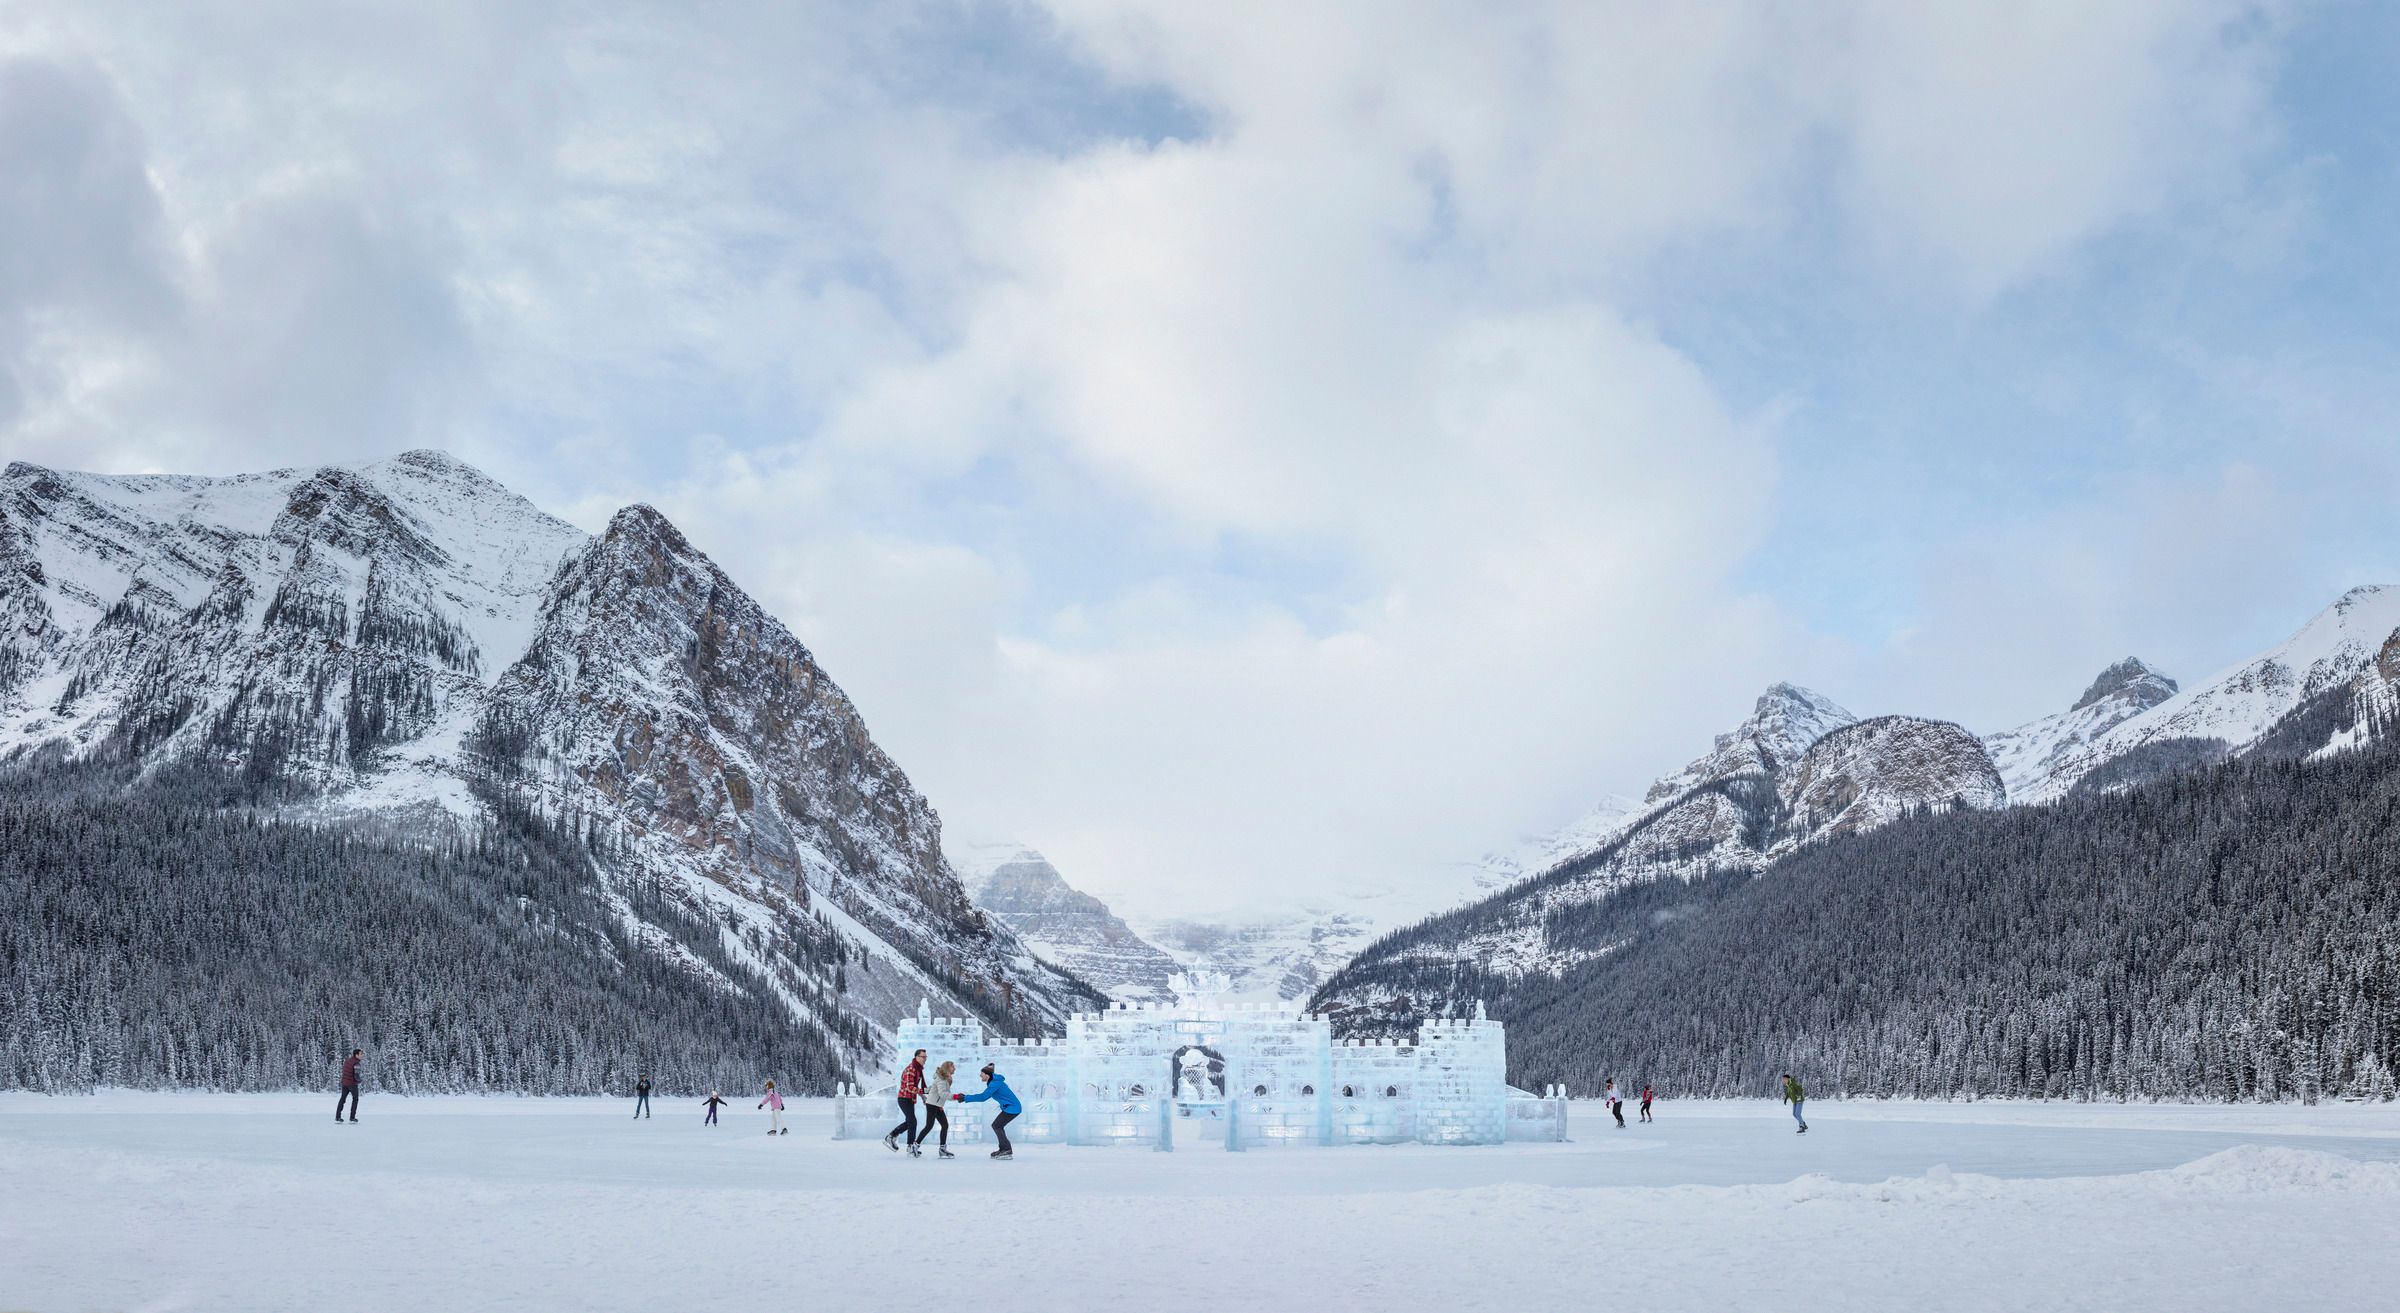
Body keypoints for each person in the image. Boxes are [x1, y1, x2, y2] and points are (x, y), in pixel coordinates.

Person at [953, 1062, 1021, 1160]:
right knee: (997, 1126)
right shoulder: (994, 1082)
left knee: (997, 1125)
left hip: (1013, 1108)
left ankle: (1006, 1150)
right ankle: (1003, 1149)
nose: (980, 1075)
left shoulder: (995, 1084)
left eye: (982, 1073)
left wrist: (965, 1098)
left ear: (987, 1075)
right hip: (1010, 1107)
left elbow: (983, 1097)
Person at [886, 1049, 927, 1155]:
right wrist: (923, 1092)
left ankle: (906, 1144)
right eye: (923, 1057)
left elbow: (915, 1086)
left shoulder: (917, 1069)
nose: (925, 1059)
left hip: (909, 1099)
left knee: (911, 1121)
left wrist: (922, 1097)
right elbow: (909, 1087)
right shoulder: (911, 1069)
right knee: (912, 1121)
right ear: (917, 1057)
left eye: (925, 1057)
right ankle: (893, 1137)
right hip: (904, 1098)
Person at [920, 1060, 956, 1159]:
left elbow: (933, 1088)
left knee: (944, 1125)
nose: (955, 1068)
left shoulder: (946, 1078)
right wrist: (955, 1096)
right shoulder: (942, 1079)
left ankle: (942, 1149)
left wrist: (924, 1090)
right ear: (948, 1068)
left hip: (937, 1104)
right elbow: (942, 1093)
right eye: (953, 1067)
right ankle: (915, 1145)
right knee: (929, 1126)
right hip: (932, 1104)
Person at [335, 1049, 362, 1123]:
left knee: (342, 1099)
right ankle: (352, 1118)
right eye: (360, 1054)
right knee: (355, 1099)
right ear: (356, 1055)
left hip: (344, 1083)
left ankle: (338, 1117)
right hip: (352, 1084)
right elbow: (356, 1075)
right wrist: (360, 1081)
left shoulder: (347, 1061)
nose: (362, 1056)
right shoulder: (356, 1063)